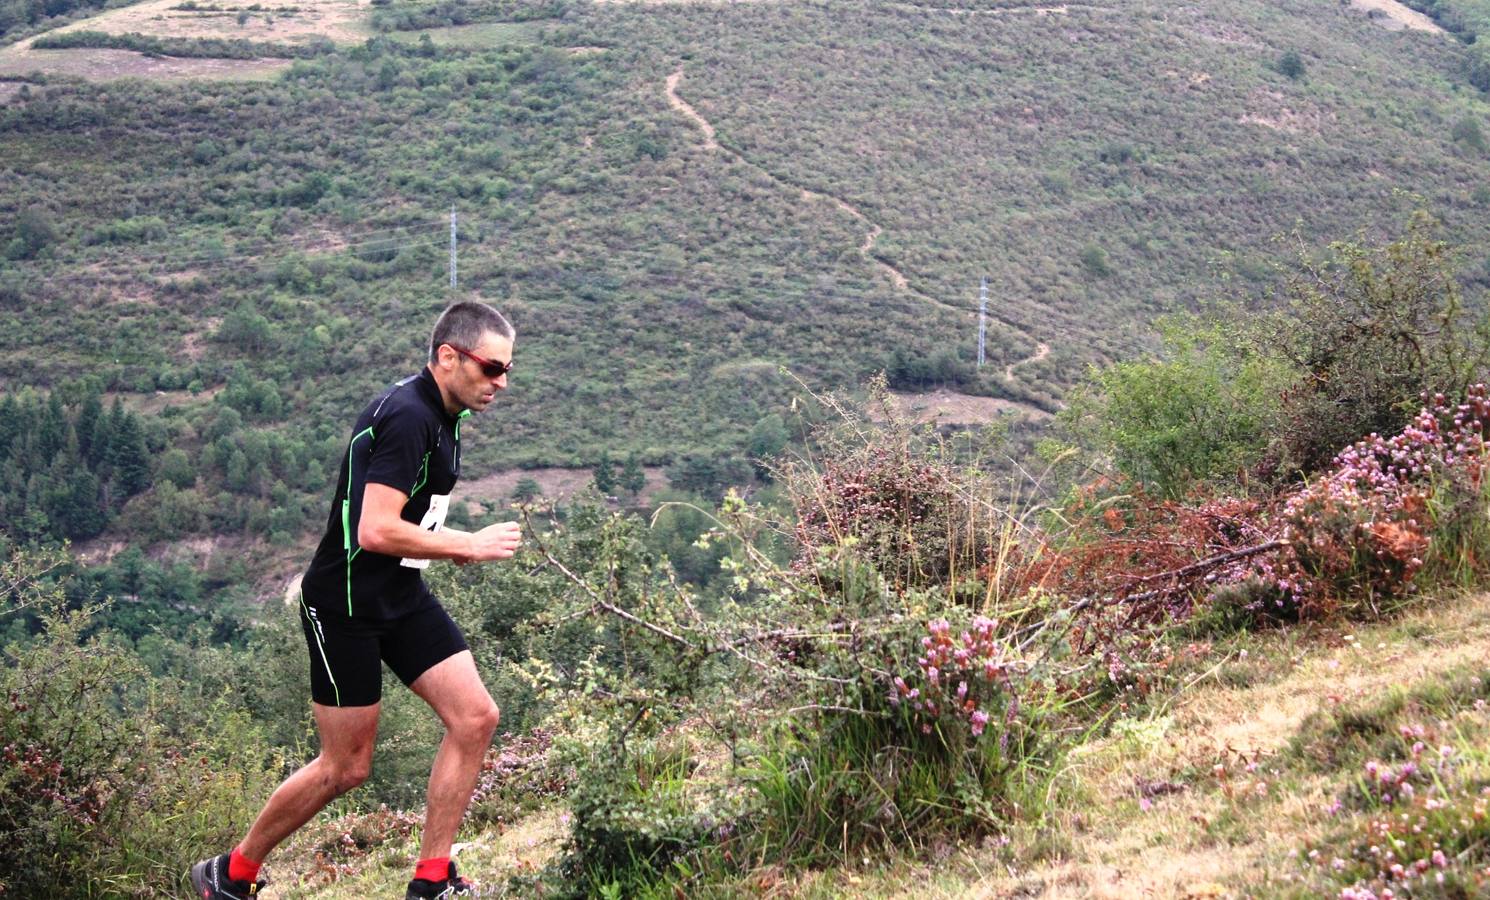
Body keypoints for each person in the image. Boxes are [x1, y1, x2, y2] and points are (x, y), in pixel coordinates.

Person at [190, 301, 522, 900]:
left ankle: (431, 880)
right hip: (344, 603)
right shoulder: (408, 417)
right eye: (492, 368)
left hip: (398, 590)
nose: (501, 382)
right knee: (347, 767)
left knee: (476, 717)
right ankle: (230, 874)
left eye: (507, 370)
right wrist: (464, 546)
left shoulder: (448, 411)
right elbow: (374, 529)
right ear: (448, 358)